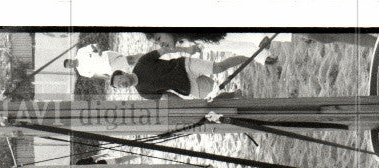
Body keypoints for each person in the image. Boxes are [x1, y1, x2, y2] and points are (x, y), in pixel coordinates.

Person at [110, 50, 256, 101]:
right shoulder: (143, 93)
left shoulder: (142, 63)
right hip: (187, 87)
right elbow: (169, 96)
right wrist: (185, 103)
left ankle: (251, 57)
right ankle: (235, 95)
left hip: (185, 66)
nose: (122, 85)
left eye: (120, 80)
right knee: (211, 99)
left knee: (218, 67)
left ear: (122, 73)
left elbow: (164, 50)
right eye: (119, 86)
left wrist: (185, 49)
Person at [64, 45, 135, 79]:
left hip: (108, 56)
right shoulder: (81, 72)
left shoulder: (80, 52)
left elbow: (93, 46)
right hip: (109, 68)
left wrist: (98, 49)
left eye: (69, 63)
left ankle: (141, 58)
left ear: (70, 59)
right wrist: (108, 78)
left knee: (128, 59)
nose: (71, 65)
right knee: (127, 63)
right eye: (69, 66)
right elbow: (95, 75)